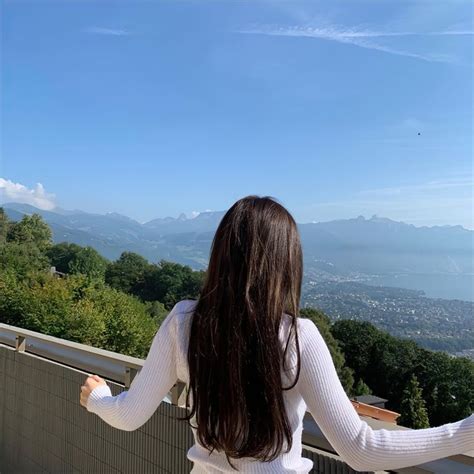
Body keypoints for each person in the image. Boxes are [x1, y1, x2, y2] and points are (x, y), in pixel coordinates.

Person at [80, 195, 474, 473]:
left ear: (221, 255)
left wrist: (98, 398)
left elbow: (130, 415)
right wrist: (462, 433)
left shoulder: (185, 322)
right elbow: (362, 450)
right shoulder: (297, 338)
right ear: (286, 265)